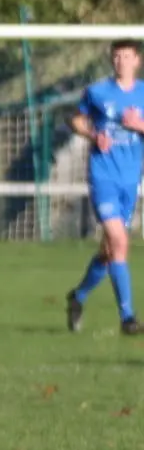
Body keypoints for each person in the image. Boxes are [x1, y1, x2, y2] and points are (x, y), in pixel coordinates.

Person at [64, 39, 144, 336]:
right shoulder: (97, 91)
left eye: (127, 56)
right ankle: (128, 318)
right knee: (120, 243)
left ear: (137, 61)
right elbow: (74, 119)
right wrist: (93, 134)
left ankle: (78, 296)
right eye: (116, 56)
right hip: (103, 178)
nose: (121, 61)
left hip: (130, 180)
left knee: (110, 251)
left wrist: (138, 126)